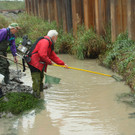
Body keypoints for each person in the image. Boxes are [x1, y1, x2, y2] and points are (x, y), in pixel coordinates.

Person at [28, 30, 68, 98]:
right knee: (37, 80)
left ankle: (40, 95)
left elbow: (53, 56)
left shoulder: (49, 43)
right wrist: (49, 62)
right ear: (53, 37)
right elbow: (42, 55)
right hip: (34, 63)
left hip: (39, 64)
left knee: (40, 79)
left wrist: (63, 64)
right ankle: (35, 97)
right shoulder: (45, 42)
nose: (57, 39)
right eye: (56, 37)